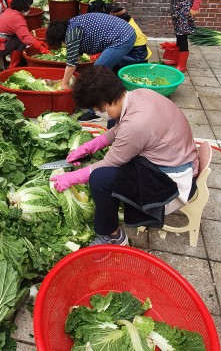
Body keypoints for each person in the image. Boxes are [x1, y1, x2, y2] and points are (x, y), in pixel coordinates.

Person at [50, 66, 198, 246]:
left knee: (100, 179)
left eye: (96, 109)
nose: (97, 113)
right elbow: (119, 130)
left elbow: (110, 162)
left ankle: (114, 236)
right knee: (114, 124)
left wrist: (72, 177)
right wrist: (88, 147)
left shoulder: (136, 125)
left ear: (103, 104)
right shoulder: (139, 94)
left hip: (171, 181)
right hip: (179, 158)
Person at [45, 13, 137, 91]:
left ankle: (92, 108)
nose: (64, 45)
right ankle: (111, 93)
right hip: (125, 32)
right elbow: (75, 57)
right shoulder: (72, 24)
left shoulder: (72, 34)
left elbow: (71, 64)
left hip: (122, 38)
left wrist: (64, 84)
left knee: (97, 72)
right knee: (104, 72)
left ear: (58, 37)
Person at [0, 0, 49, 68]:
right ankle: (13, 66)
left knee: (19, 37)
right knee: (21, 40)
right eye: (29, 6)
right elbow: (25, 38)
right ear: (24, 7)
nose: (29, 8)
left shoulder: (9, 11)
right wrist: (41, 48)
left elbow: (24, 33)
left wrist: (37, 41)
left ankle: (12, 63)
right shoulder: (17, 18)